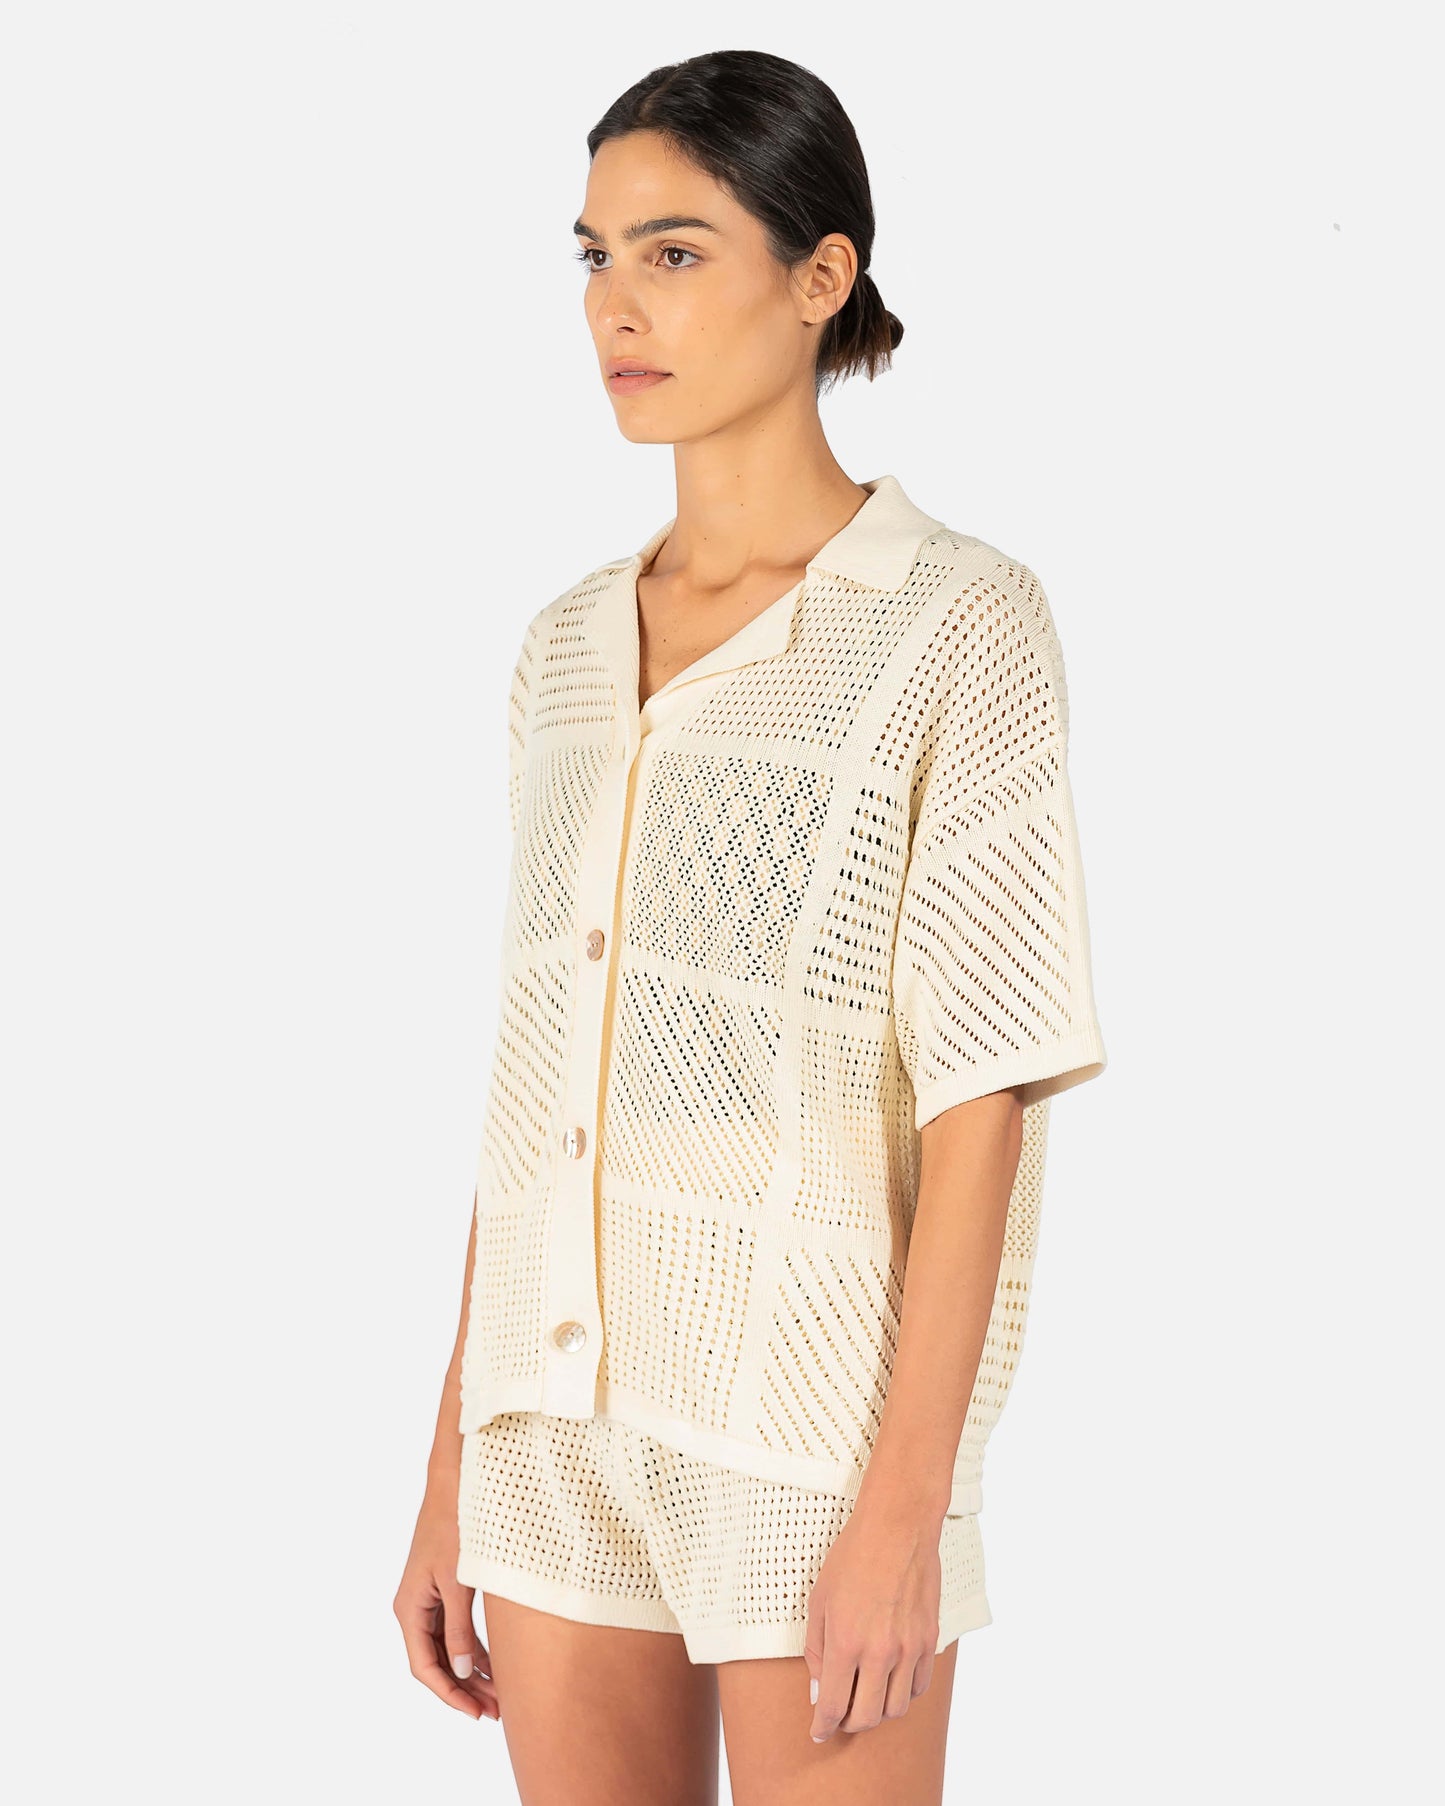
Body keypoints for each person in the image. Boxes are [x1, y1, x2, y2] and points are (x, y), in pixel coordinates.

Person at [394, 47, 1107, 1804]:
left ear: (819, 275)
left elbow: (982, 1096)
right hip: (547, 1431)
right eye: (594, 255)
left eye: (675, 250)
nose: (615, 305)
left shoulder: (954, 620)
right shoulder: (564, 646)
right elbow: (539, 1084)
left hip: (809, 1437)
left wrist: (907, 1505)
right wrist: (452, 1461)